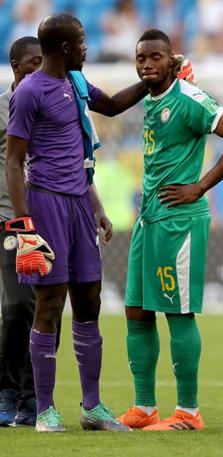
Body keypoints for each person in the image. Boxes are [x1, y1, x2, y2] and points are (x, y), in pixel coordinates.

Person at [6, 13, 150, 433]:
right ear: (66, 47)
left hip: (79, 206)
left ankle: (92, 408)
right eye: (83, 41)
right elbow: (15, 162)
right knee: (50, 303)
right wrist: (23, 226)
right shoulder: (30, 91)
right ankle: (46, 410)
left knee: (89, 300)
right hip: (45, 205)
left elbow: (112, 105)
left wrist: (153, 81)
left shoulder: (76, 83)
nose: (87, 48)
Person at [116, 29, 223, 431]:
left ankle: (189, 413)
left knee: (177, 312)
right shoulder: (150, 99)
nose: (146, 64)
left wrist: (200, 186)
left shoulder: (191, 99)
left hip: (181, 220)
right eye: (140, 58)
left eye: (155, 57)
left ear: (171, 62)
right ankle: (144, 407)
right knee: (137, 310)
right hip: (149, 217)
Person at [0, 36, 41, 428]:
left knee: (45, 310)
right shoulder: (2, 107)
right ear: (15, 67)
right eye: (33, 62)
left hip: (52, 217)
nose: (40, 68)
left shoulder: (53, 103)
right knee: (16, 306)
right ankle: (7, 390)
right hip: (10, 219)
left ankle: (33, 399)